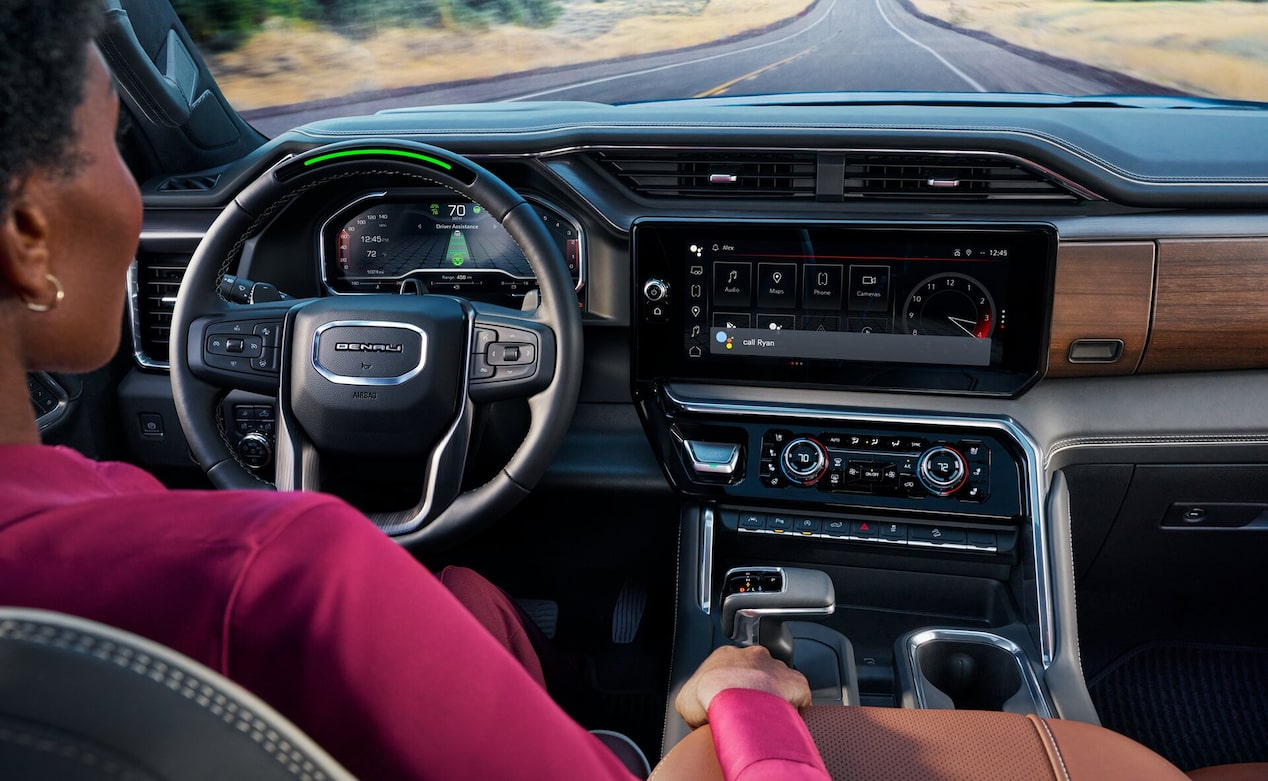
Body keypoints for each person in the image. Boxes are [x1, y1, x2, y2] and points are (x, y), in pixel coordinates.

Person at [0, 2, 829, 780]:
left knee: (467, 597)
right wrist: (742, 706)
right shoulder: (279, 579)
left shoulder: (151, 551)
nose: (136, 199)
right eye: (115, 136)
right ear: (29, 233)